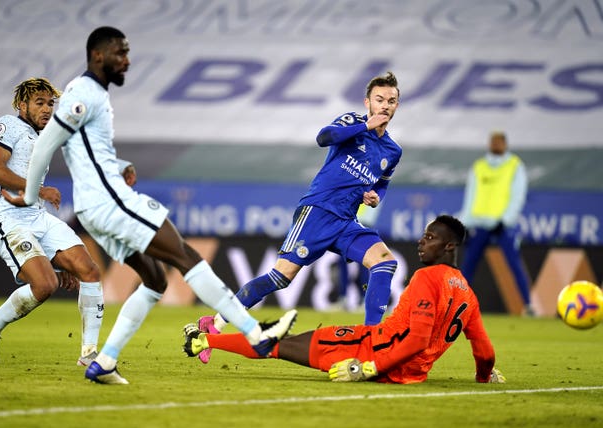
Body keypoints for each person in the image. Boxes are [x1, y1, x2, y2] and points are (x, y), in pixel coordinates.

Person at [4, 26, 297, 385]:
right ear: (98, 55)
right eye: (120, 52)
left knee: (156, 280)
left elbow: (86, 155)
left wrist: (119, 166)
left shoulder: (94, 94)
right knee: (185, 256)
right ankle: (257, 335)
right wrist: (30, 197)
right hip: (109, 203)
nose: (126, 60)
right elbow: (46, 143)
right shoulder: (82, 93)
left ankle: (105, 361)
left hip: (97, 205)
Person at [197, 71, 403, 363]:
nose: (385, 105)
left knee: (385, 262)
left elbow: (382, 183)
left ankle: (373, 342)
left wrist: (375, 196)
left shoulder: (393, 150)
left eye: (391, 101)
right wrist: (365, 125)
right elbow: (324, 137)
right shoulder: (353, 123)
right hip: (318, 211)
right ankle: (214, 324)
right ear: (367, 102)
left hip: (346, 220)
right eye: (379, 99)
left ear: (397, 105)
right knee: (281, 277)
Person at [184, 215, 506, 385]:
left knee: (278, 343)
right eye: (424, 235)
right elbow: (485, 351)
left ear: (450, 247)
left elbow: (418, 339)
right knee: (282, 343)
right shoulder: (467, 293)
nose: (422, 242)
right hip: (411, 374)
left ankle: (206, 340)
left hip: (372, 351)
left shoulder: (427, 277)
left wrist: (367, 367)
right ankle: (207, 340)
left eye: (431, 237)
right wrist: (483, 376)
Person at [0, 77, 104, 366]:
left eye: (50, 104)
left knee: (89, 270)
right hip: (9, 218)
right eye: (39, 103)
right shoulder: (6, 125)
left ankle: (89, 353)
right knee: (45, 286)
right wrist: (37, 188)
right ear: (22, 105)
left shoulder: (45, 137)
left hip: (38, 217)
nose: (47, 109)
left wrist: (58, 260)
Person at [458, 131, 531, 314]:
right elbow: (471, 197)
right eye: (493, 142)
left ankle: (529, 306)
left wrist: (507, 219)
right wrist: (464, 223)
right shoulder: (479, 166)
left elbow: (518, 195)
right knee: (468, 265)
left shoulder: (515, 165)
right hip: (479, 224)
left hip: (503, 225)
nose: (496, 145)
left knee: (514, 265)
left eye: (499, 142)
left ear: (505, 144)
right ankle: (457, 305)